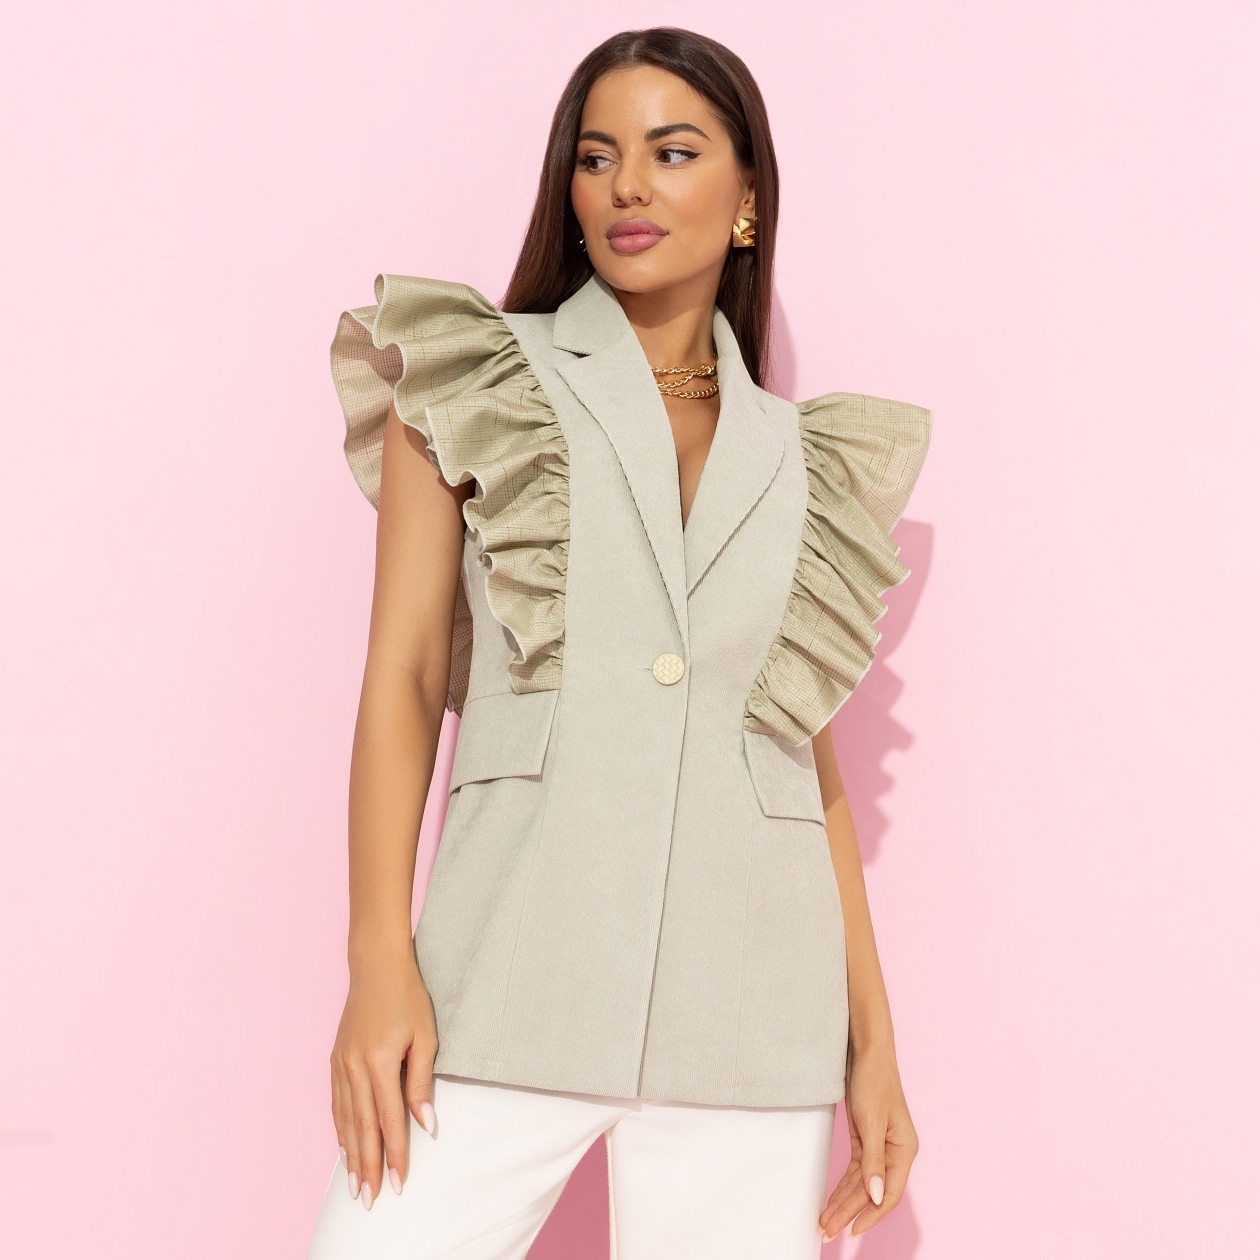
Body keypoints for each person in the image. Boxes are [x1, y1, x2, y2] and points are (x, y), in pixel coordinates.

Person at [309, 26, 930, 1260]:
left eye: (672, 151)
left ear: (747, 198)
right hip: (507, 973)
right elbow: (406, 676)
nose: (627, 186)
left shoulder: (807, 460)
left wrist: (873, 1042)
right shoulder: (474, 378)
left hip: (753, 1018)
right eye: (596, 158)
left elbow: (800, 755)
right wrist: (380, 962)